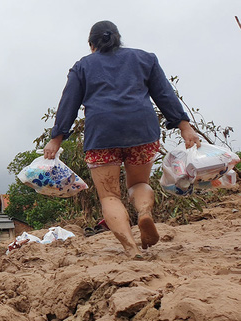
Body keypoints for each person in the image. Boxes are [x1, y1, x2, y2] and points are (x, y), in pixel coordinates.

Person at [43, 21, 201, 258]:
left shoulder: (82, 66)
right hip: (142, 131)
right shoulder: (145, 59)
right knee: (138, 184)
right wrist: (184, 127)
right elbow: (164, 94)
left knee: (109, 196)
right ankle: (144, 213)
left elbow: (69, 103)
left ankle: (130, 246)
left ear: (91, 45)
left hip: (102, 135)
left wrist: (56, 139)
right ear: (118, 38)